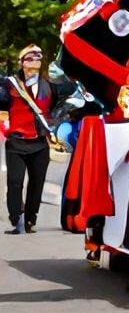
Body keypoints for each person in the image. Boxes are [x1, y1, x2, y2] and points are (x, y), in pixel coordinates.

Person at [0, 45, 74, 235]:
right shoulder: (10, 85)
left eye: (38, 58)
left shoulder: (49, 87)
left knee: (36, 183)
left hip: (39, 143)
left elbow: (66, 98)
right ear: (22, 62)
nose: (35, 61)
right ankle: (17, 219)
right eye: (30, 58)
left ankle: (30, 219)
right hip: (16, 142)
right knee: (15, 183)